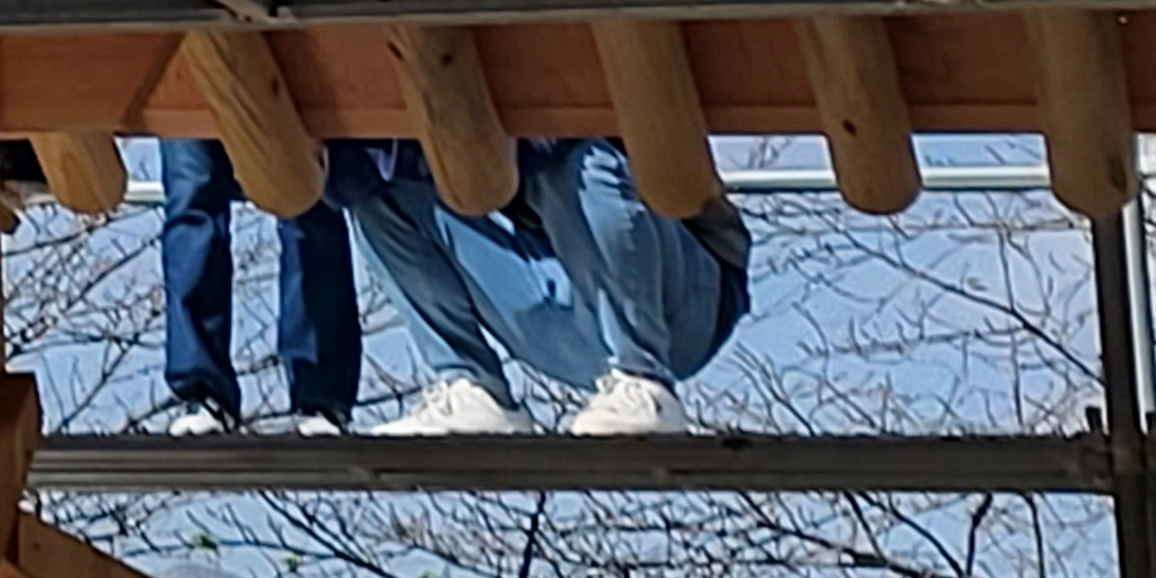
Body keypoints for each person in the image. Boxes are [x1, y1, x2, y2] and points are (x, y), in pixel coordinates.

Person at [326, 134, 749, 437]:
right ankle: (471, 386)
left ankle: (644, 380)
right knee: (376, 189)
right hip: (556, 307)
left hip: (683, 303)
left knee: (577, 156)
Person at [147, 137, 359, 437]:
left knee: (308, 197)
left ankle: (322, 398)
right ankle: (203, 394)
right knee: (192, 199)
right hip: (182, 93)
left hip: (292, 92)